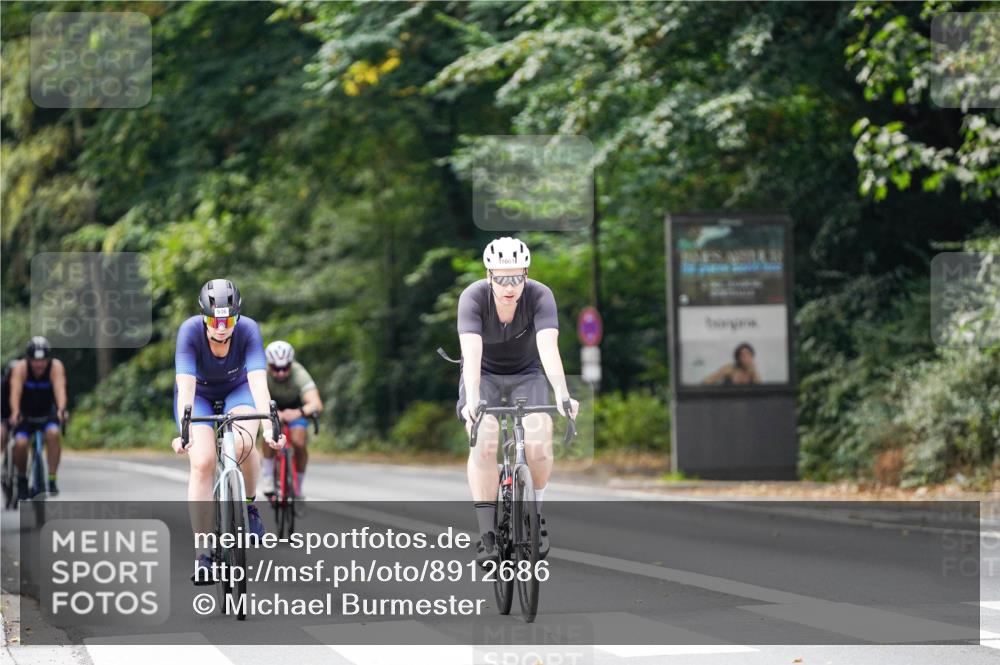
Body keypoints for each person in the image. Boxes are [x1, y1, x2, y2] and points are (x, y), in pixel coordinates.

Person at [456, 237, 579, 565]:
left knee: (539, 436)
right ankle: (486, 535)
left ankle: (535, 514)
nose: (510, 286)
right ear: (488, 275)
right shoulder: (473, 297)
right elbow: (471, 355)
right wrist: (473, 399)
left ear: (526, 274)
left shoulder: (540, 295)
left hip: (527, 374)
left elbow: (548, 348)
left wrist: (563, 395)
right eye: (501, 278)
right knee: (485, 439)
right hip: (483, 376)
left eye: (517, 277)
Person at [170, 279, 285, 584]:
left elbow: (259, 382)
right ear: (203, 317)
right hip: (199, 396)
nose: (221, 327)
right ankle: (203, 554)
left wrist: (270, 428)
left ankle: (249, 505)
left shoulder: (248, 330)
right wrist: (186, 431)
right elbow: (186, 386)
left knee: (245, 442)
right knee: (203, 462)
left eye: (228, 320)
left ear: (237, 317)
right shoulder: (189, 332)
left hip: (239, 390)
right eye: (214, 320)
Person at [261, 340, 323, 497]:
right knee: (269, 435)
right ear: (269, 365)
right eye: (276, 369)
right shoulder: (262, 373)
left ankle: (298, 486)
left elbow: (316, 404)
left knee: (299, 442)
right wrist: (274, 415)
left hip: (295, 410)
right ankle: (268, 477)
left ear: (291, 363)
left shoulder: (299, 373)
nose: (281, 373)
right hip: (271, 409)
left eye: (285, 368)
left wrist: (298, 412)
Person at [8, 337, 68, 498]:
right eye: (35, 360)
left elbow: (60, 390)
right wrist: (15, 412)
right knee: (20, 443)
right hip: (25, 416)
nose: (39, 364)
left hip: (47, 414)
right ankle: (21, 478)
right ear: (28, 359)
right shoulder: (20, 368)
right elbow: (15, 392)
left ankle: (52, 478)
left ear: (48, 359)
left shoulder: (55, 367)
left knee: (54, 434)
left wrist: (61, 409)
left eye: (42, 360)